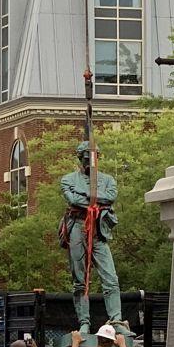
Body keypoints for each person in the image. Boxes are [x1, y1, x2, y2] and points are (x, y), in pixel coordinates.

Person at [60, 141, 123, 336]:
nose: (90, 163)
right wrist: (94, 197)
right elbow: (73, 200)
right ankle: (84, 322)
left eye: (94, 159)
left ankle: (117, 320)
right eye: (87, 159)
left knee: (110, 278)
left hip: (99, 230)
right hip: (77, 228)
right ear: (80, 158)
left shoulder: (108, 180)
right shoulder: (68, 179)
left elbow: (109, 198)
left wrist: (88, 195)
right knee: (80, 280)